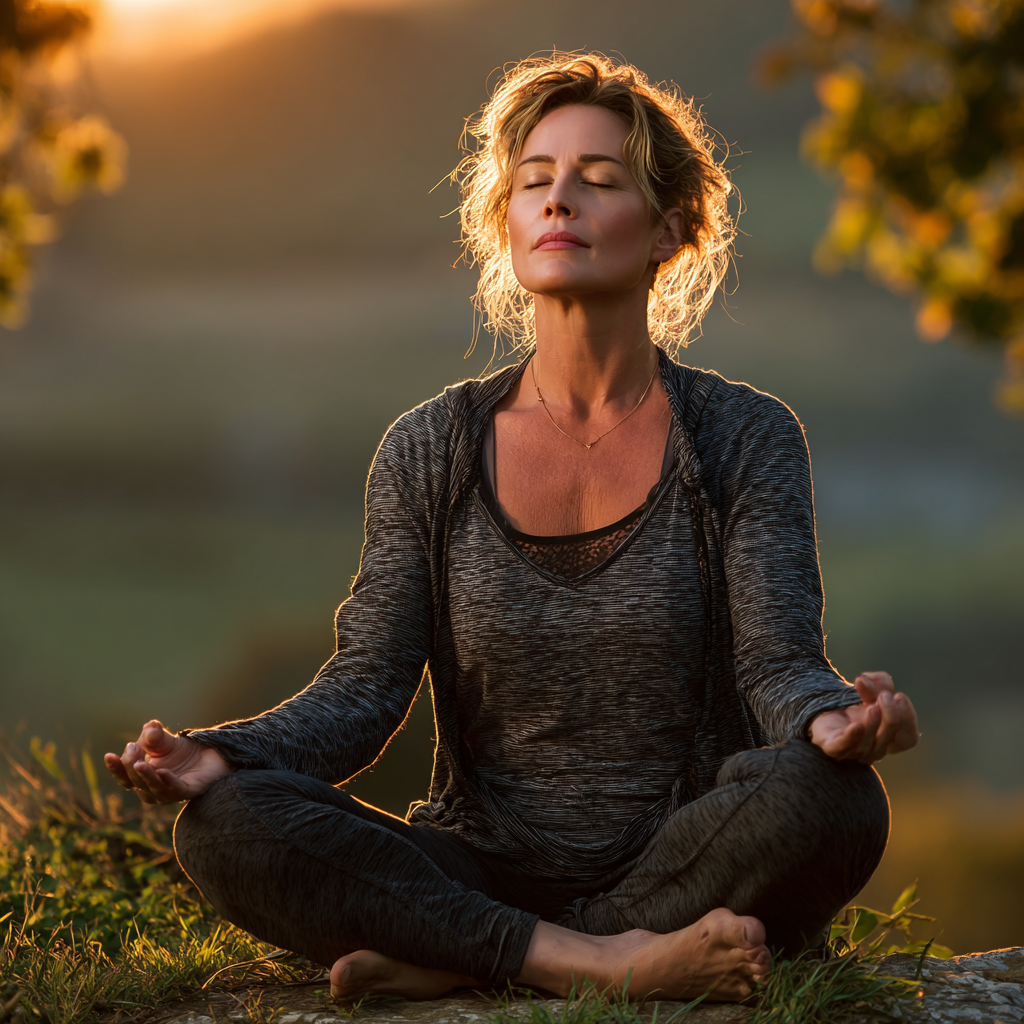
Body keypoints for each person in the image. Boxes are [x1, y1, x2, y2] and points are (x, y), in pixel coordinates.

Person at [104, 54, 918, 1005]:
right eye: (535, 180)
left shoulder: (744, 436)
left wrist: (833, 720)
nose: (559, 199)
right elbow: (364, 689)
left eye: (599, 179)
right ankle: (600, 965)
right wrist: (226, 754)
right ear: (507, 220)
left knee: (834, 800)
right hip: (477, 864)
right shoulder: (429, 448)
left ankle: (470, 957)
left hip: (681, 859)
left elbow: (778, 663)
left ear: (669, 228)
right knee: (226, 821)